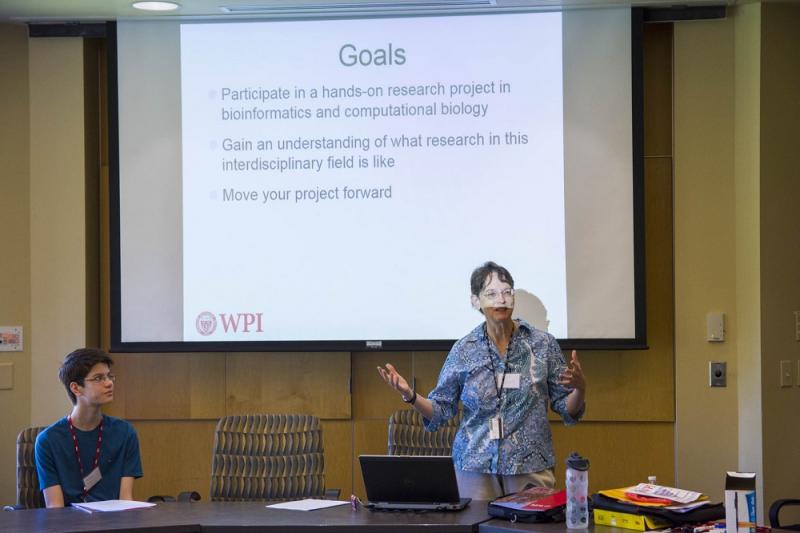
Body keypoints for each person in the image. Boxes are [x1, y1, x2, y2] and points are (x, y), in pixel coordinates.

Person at [377, 261, 586, 500]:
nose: (501, 300)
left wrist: (580, 390)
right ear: (476, 301)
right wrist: (410, 395)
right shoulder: (464, 349)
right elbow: (442, 409)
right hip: (474, 468)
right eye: (491, 294)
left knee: (534, 521)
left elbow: (566, 407)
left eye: (507, 292)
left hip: (529, 466)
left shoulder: (543, 344)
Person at [35, 348, 143, 507]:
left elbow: (126, 499)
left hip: (114, 519)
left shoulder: (125, 433)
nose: (109, 383)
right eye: (99, 378)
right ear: (76, 388)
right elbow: (55, 507)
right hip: (68, 521)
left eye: (109, 376)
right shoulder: (48, 441)